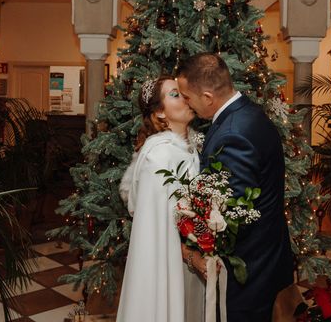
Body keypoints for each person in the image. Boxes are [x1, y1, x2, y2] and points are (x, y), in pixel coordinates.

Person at [177, 53, 294, 322]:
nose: (187, 103)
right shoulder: (247, 113)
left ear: (207, 97)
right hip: (268, 254)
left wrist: (192, 244)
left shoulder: (233, 134)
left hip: (252, 267)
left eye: (187, 96)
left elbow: (230, 215)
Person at [117, 75, 205, 322]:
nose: (185, 97)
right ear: (160, 113)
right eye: (175, 94)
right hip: (165, 264)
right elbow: (154, 230)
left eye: (184, 92)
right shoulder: (158, 156)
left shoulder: (195, 147)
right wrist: (189, 254)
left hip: (192, 262)